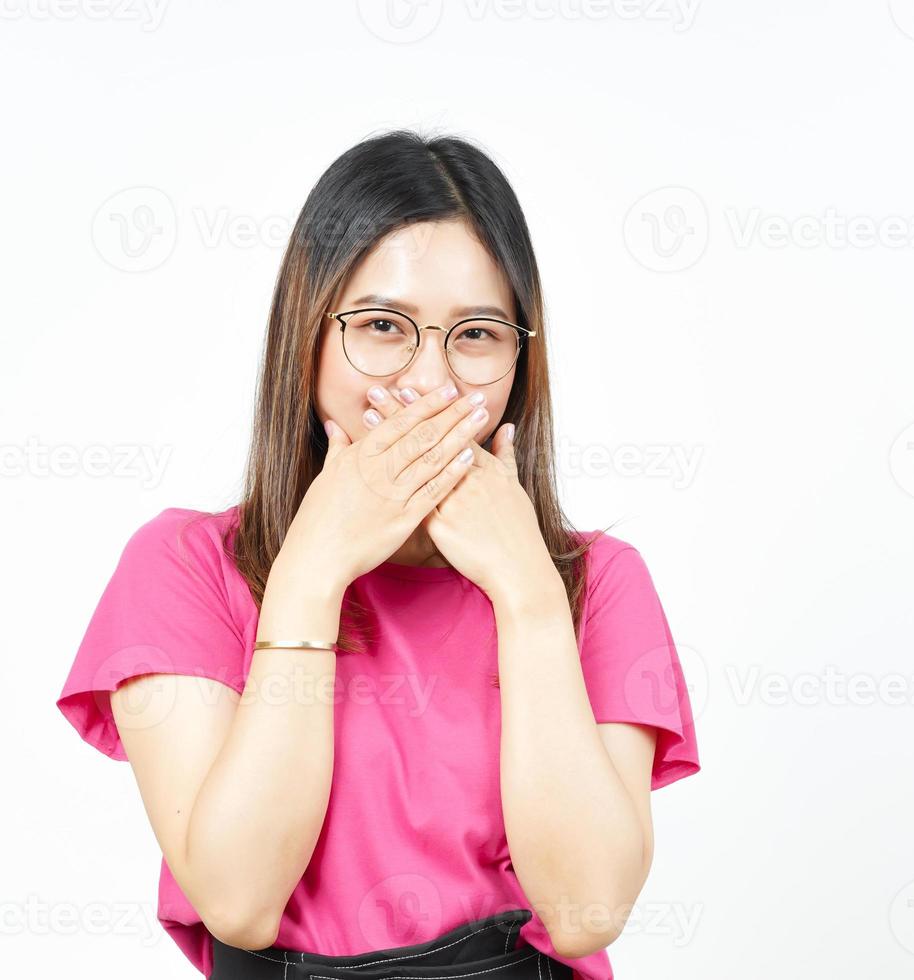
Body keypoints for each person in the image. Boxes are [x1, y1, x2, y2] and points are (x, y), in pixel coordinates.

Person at [55, 129, 701, 980]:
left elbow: (587, 913)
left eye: (476, 334)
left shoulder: (598, 583)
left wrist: (529, 598)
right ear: (308, 334)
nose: (431, 382)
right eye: (385, 326)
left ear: (520, 358)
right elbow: (239, 902)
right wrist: (312, 574)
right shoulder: (183, 566)